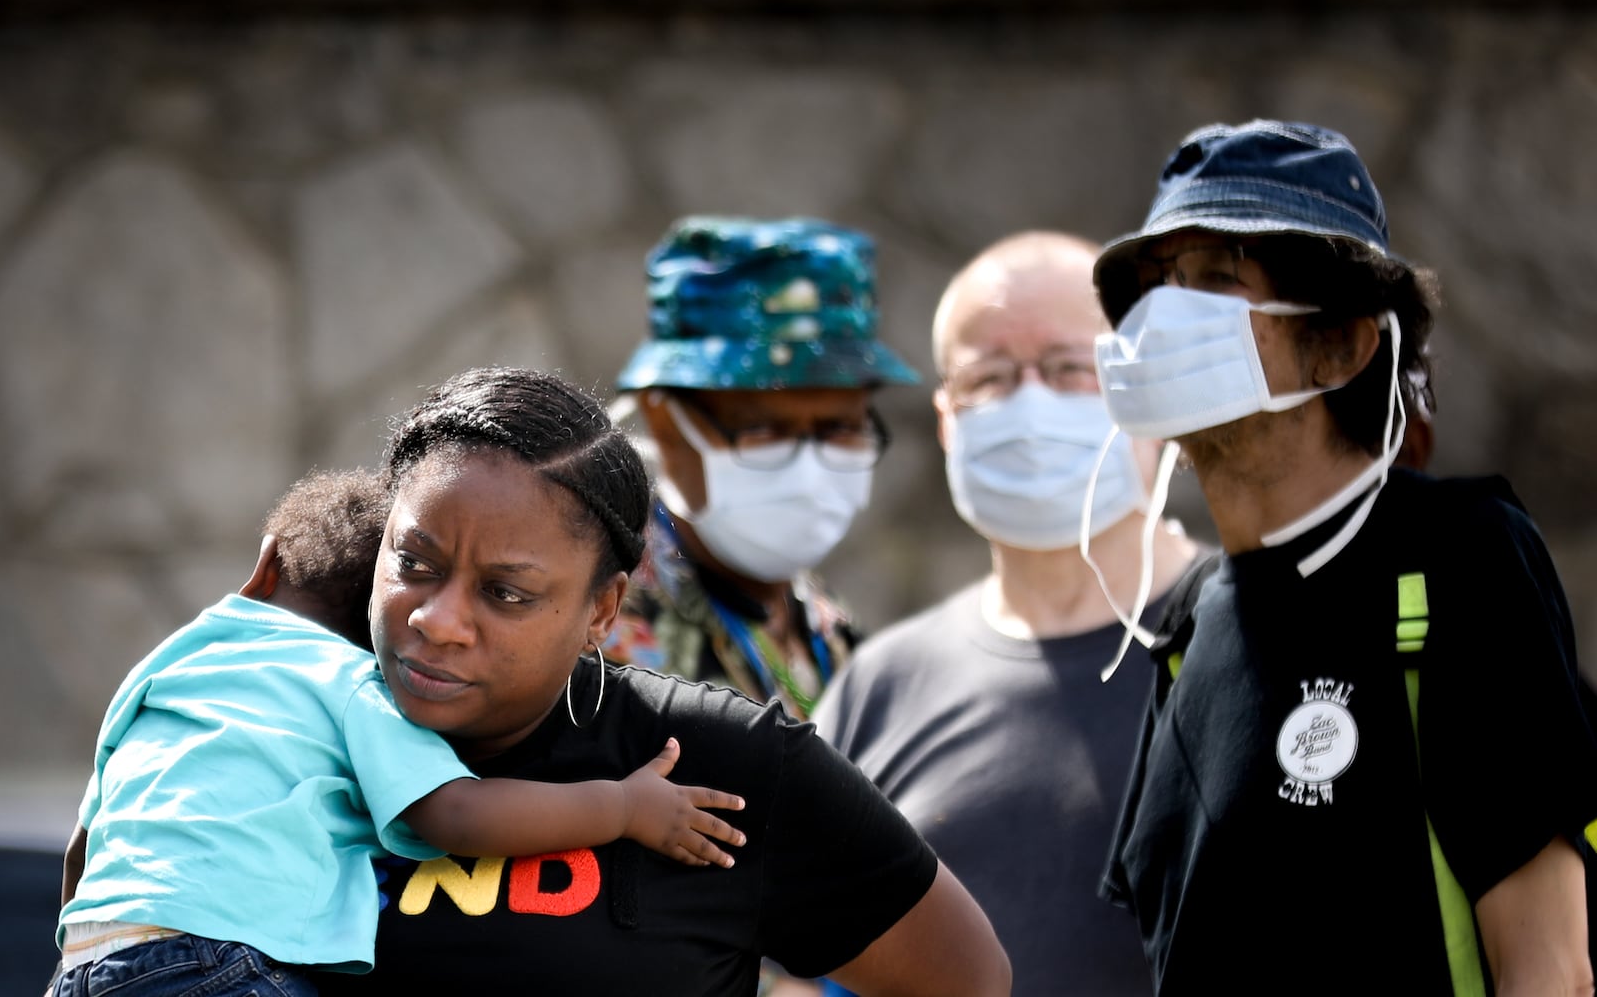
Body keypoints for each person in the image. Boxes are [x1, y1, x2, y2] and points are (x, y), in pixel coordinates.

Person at [1092, 119, 1597, 993]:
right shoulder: (1182, 621)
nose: (1165, 318)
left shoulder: (1457, 558)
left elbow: (1550, 972)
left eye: (1216, 279)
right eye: (1158, 285)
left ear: (1341, 344)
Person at [313, 365, 1010, 996]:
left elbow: (966, 981)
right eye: (414, 564)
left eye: (506, 593)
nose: (439, 621)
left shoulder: (720, 767)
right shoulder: (287, 722)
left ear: (602, 610)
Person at [53, 467, 747, 997]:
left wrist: (90, 952)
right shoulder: (352, 683)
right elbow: (457, 816)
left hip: (87, 956)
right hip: (222, 962)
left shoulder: (171, 664)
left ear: (266, 565)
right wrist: (622, 808)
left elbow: (84, 843)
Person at [812, 231, 1201, 997]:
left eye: (1067, 368)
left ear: (1147, 391)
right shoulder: (880, 688)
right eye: (987, 378)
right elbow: (799, 969)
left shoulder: (1258, 638)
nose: (1029, 402)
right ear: (947, 419)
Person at [602, 215, 920, 721]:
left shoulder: (831, 630)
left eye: (839, 428)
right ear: (666, 421)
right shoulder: (600, 628)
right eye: (764, 430)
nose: (810, 470)